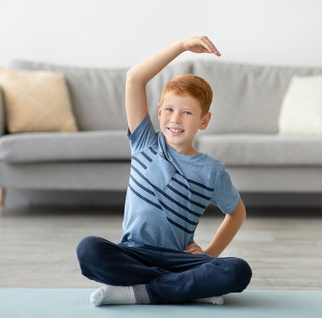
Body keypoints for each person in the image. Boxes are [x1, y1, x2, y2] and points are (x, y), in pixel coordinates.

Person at [76, 36, 252, 306]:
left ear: (204, 121)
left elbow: (237, 212)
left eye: (187, 113)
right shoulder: (145, 141)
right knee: (88, 250)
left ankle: (137, 291)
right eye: (169, 109)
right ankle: (185, 289)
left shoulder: (212, 171)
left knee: (238, 270)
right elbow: (135, 78)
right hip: (133, 253)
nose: (175, 119)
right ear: (159, 112)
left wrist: (210, 252)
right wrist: (181, 47)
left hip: (179, 258)